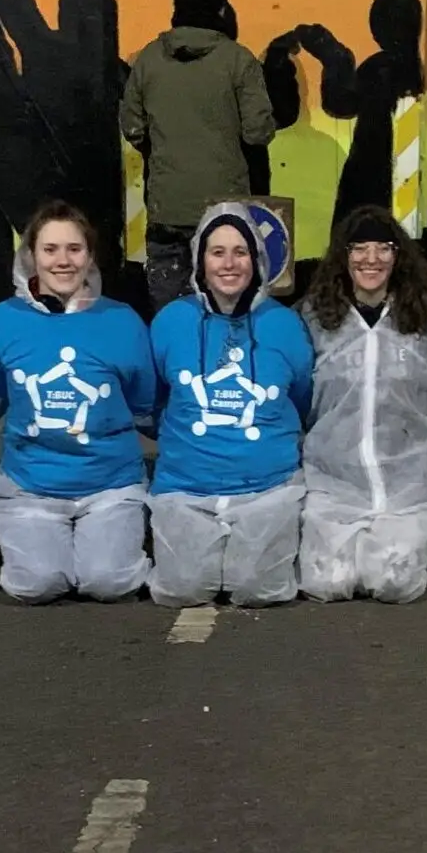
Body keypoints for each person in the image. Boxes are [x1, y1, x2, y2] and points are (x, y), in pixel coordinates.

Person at [0, 201, 159, 604]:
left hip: (112, 485)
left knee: (108, 583)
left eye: (74, 249)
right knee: (35, 585)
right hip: (30, 486)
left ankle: (121, 539)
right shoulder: (3, 320)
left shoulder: (122, 321)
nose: (63, 261)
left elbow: (144, 406)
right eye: (50, 249)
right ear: (31, 256)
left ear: (90, 256)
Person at [147, 203, 315, 608]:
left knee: (258, 590)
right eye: (217, 252)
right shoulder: (171, 321)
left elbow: (304, 399)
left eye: (240, 252)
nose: (229, 263)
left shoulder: (285, 324)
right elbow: (152, 400)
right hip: (185, 487)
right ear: (199, 261)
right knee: (183, 590)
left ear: (257, 260)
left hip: (268, 488)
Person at [297, 208, 427, 603]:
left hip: (407, 481)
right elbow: (300, 390)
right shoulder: (317, 316)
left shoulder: (424, 316)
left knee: (394, 584)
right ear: (342, 256)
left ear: (398, 255)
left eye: (383, 248)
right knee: (328, 583)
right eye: (359, 248)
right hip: (333, 480)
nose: (371, 259)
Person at [121, 0, 276, 306]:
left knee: (169, 315)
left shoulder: (147, 60)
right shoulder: (239, 60)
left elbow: (132, 126)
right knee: (226, 308)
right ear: (219, 5)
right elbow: (258, 132)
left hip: (166, 207)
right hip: (225, 212)